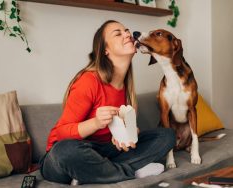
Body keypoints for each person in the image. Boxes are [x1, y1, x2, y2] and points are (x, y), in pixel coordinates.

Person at [39, 20, 176, 185]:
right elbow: (61, 133)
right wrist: (96, 123)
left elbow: (117, 137)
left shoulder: (127, 88)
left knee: (167, 136)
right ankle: (131, 172)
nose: (127, 34)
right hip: (61, 157)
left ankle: (93, 173)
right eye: (118, 33)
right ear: (105, 50)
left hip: (104, 151)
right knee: (65, 151)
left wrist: (127, 135)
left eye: (126, 31)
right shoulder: (89, 81)